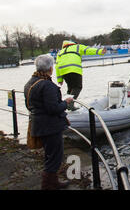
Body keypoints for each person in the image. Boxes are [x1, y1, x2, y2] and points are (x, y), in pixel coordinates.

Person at [24, 54, 75, 190]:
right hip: (50, 126)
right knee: (55, 156)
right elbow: (53, 108)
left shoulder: (30, 83)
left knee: (49, 155)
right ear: (50, 69)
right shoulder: (47, 85)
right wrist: (66, 102)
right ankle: (47, 185)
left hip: (38, 125)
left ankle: (53, 182)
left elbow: (29, 105)